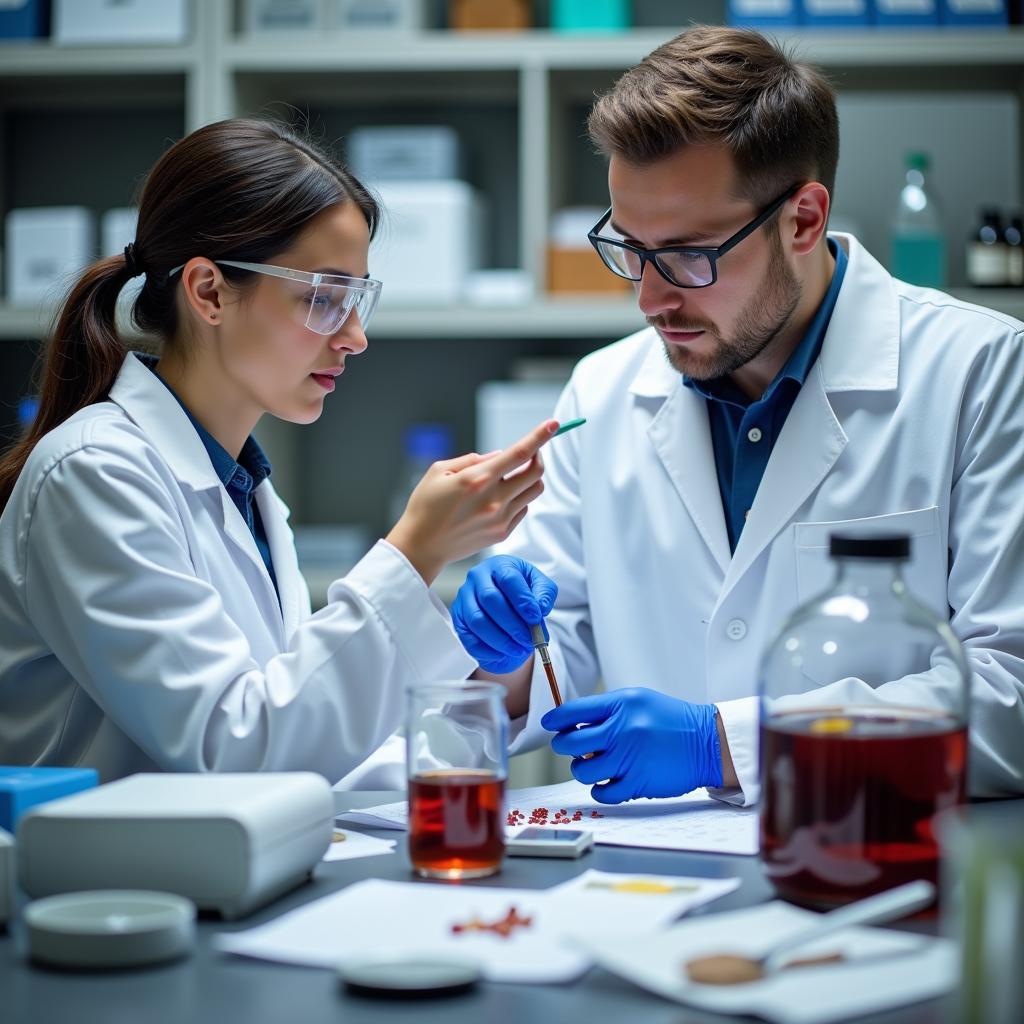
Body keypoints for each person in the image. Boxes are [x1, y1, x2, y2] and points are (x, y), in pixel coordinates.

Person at [451, 26, 1024, 805]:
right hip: (646, 887)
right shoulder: (604, 390)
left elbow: (1008, 696)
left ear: (803, 219)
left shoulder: (981, 374)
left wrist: (725, 744)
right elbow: (556, 660)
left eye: (691, 255)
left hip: (875, 870)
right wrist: (508, 653)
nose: (651, 300)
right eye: (630, 249)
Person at [0, 118, 557, 783]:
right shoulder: (91, 474)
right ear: (208, 291)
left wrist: (486, 670)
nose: (355, 337)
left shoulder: (245, 489)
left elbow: (308, 739)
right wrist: (414, 552)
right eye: (324, 297)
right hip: (112, 882)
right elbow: (237, 750)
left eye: (359, 300)